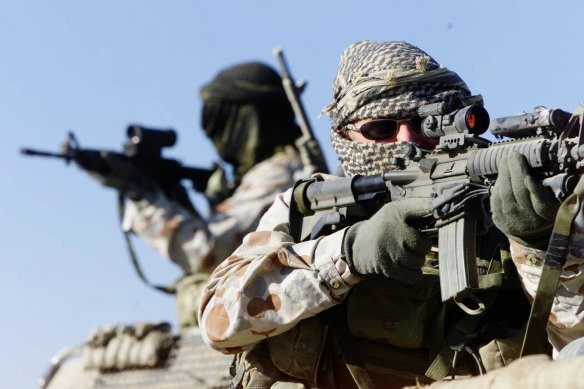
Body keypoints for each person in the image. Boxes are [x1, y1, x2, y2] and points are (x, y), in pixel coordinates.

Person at [199, 40, 582, 388]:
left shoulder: (516, 197)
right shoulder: (307, 211)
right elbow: (218, 324)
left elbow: (575, 346)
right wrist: (349, 254)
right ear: (345, 137)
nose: (407, 141)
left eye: (423, 125)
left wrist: (538, 246)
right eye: (382, 128)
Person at [42, 61, 318, 389]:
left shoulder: (280, 174)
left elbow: (206, 251)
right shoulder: (281, 170)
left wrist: (143, 196)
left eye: (221, 123)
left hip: (275, 342)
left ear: (245, 120)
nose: (217, 137)